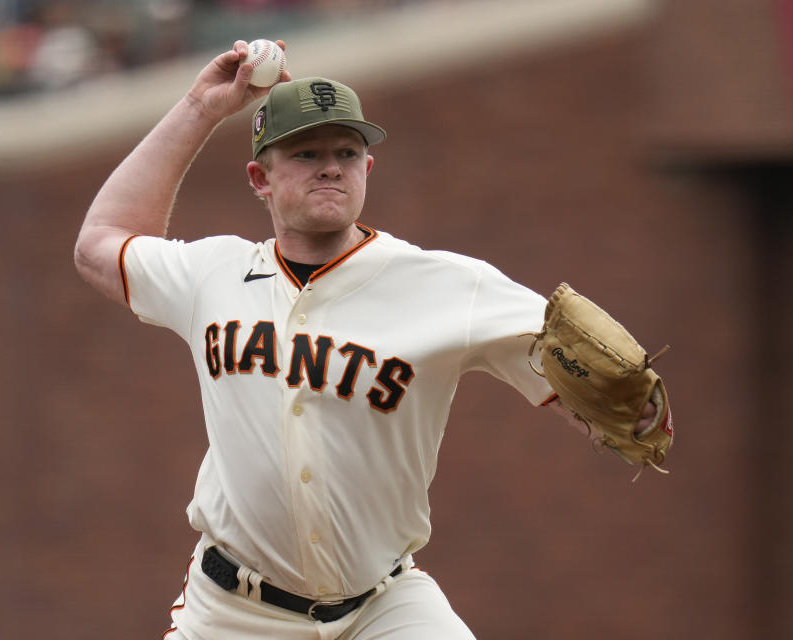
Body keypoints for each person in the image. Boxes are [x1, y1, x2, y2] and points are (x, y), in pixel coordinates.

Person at [74, 40, 659, 640]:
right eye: (305, 153)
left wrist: (622, 414)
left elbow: (585, 381)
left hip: (383, 608)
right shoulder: (211, 275)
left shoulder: (449, 284)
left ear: (367, 169)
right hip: (232, 614)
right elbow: (100, 243)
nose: (330, 166)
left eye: (347, 153)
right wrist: (200, 106)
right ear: (260, 178)